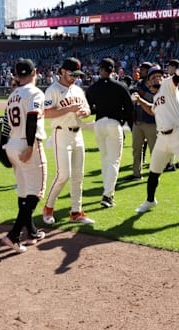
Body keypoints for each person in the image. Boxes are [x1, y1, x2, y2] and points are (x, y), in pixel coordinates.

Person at [132, 62, 179, 223]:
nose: (157, 78)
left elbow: (177, 77)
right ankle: (150, 200)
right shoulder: (156, 97)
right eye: (153, 77)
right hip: (162, 137)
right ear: (148, 83)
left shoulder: (167, 85)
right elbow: (152, 109)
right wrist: (139, 100)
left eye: (159, 75)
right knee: (153, 173)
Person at [1, 59, 48, 253]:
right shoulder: (35, 92)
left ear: (17, 75)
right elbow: (31, 119)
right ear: (34, 72)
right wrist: (29, 146)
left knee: (24, 190)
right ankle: (13, 235)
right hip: (27, 143)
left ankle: (32, 232)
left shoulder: (13, 96)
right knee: (36, 191)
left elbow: (5, 124)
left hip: (11, 143)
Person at [42, 57, 95, 225]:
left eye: (77, 74)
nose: (75, 77)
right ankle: (48, 209)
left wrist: (86, 111)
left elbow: (86, 108)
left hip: (77, 134)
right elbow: (47, 113)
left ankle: (76, 212)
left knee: (78, 175)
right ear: (63, 71)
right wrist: (69, 109)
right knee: (63, 175)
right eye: (72, 74)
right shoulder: (53, 89)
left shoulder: (78, 90)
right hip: (61, 134)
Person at [85, 57, 134, 208]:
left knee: (105, 158)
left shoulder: (93, 87)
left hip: (99, 123)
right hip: (114, 123)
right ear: (113, 70)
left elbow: (88, 108)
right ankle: (107, 195)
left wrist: (99, 109)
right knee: (114, 160)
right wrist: (121, 118)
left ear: (100, 70)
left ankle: (107, 189)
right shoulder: (120, 86)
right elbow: (130, 108)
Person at [129, 61, 157, 181]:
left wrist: (143, 94)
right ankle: (136, 173)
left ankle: (155, 174)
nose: (140, 71)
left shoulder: (155, 84)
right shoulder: (139, 82)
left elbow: (156, 99)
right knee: (136, 148)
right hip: (138, 120)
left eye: (143, 70)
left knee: (154, 149)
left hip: (151, 121)